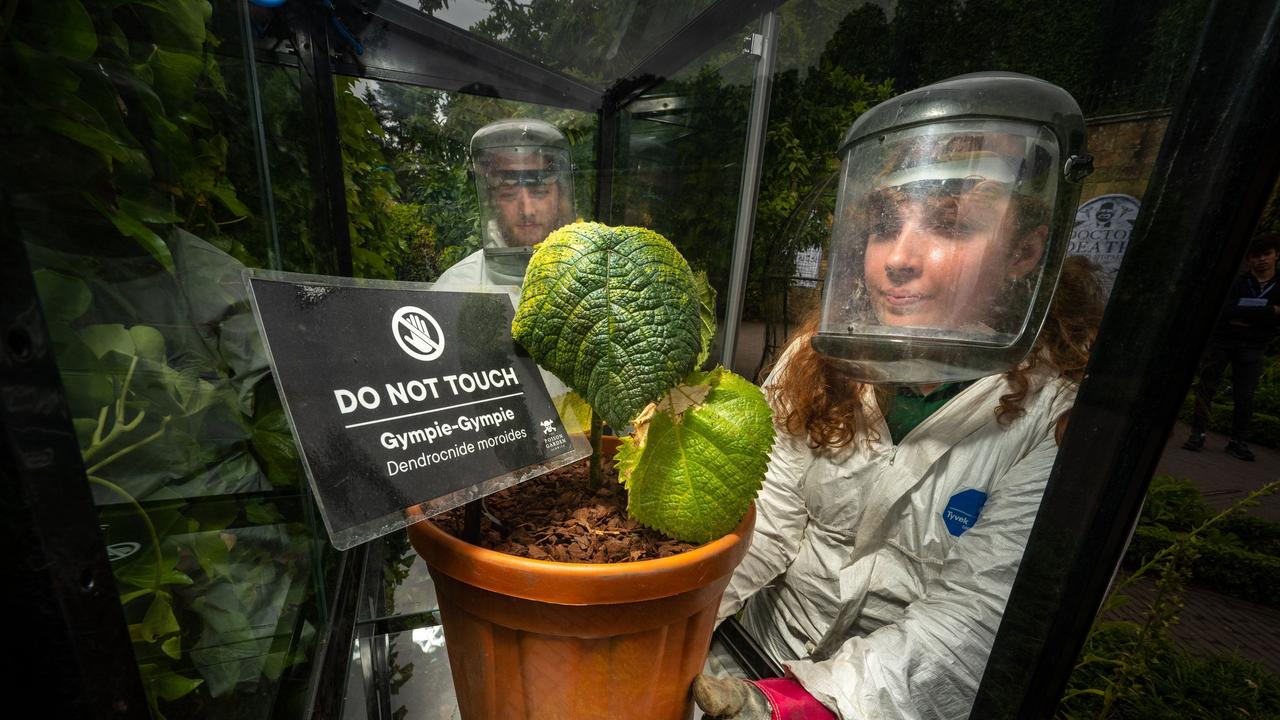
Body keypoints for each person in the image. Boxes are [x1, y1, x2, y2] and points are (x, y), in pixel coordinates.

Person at [691, 72, 1104, 720]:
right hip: (746, 662)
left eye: (948, 225)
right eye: (884, 226)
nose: (897, 259)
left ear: (1025, 251)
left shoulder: (1059, 422)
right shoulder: (816, 364)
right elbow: (760, 525)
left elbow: (970, 627)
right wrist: (666, 617)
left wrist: (788, 708)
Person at [433, 118, 577, 290]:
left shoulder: (592, 276)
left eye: (539, 192)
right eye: (509, 195)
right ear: (492, 201)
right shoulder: (457, 287)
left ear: (559, 196)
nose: (527, 210)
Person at [1182, 232, 1280, 461]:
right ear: (1249, 260)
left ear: (1276, 256)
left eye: (1266, 254)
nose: (1261, 260)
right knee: (1207, 387)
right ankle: (1197, 433)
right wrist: (1269, 311)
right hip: (1222, 341)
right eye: (1256, 256)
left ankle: (1238, 441)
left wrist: (1245, 313)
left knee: (1245, 395)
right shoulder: (1236, 282)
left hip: (1254, 345)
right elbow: (1223, 310)